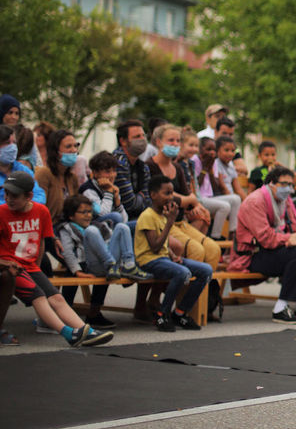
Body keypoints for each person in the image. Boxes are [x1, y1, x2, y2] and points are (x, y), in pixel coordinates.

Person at [0, 171, 114, 347]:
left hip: (30, 266)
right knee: (39, 296)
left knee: (57, 297)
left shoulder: (41, 211)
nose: (8, 198)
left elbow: (42, 242)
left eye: (14, 195)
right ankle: (68, 333)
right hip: (12, 265)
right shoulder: (1, 213)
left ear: (29, 195)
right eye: (6, 194)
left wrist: (36, 267)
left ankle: (87, 331)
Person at [230, 166, 296, 324]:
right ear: (272, 183)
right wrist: (291, 238)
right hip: (252, 255)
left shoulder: (285, 202)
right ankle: (281, 307)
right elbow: (266, 238)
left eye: (291, 185)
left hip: (273, 250)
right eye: (284, 184)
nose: (288, 189)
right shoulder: (255, 201)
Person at [56, 195, 151, 328]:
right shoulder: (67, 228)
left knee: (122, 227)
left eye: (89, 212)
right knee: (91, 231)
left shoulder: (98, 225)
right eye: (83, 212)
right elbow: (68, 253)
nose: (88, 215)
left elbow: (110, 242)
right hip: (90, 265)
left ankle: (129, 265)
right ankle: (111, 265)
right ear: (71, 216)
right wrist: (77, 271)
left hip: (107, 263)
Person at [134, 175, 212, 332]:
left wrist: (172, 255)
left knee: (206, 270)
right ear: (153, 195)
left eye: (172, 193)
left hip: (162, 258)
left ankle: (180, 313)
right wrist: (170, 222)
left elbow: (163, 243)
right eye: (167, 193)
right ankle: (162, 315)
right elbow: (154, 246)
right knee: (183, 273)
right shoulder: (148, 216)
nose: (171, 197)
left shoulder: (162, 215)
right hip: (148, 260)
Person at [147, 126, 222, 270]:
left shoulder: (177, 167)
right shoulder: (150, 166)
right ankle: (186, 291)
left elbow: (190, 196)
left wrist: (193, 204)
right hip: (163, 222)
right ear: (158, 142)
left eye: (178, 140)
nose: (175, 144)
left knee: (213, 249)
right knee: (196, 250)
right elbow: (165, 197)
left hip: (181, 222)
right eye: (171, 140)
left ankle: (205, 291)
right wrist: (188, 200)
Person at [33, 129, 81, 227]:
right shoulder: (44, 174)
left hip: (70, 227)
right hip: (50, 228)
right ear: (55, 151)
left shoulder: (72, 178)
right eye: (68, 146)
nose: (74, 150)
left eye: (75, 146)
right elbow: (38, 210)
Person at [112, 119, 151, 221]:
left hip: (138, 217)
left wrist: (139, 197)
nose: (142, 139)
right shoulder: (118, 163)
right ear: (123, 141)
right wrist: (141, 196)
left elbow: (149, 201)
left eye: (143, 135)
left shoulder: (143, 166)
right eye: (137, 137)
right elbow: (129, 205)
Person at [0, 125, 46, 205]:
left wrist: (22, 205)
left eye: (14, 142)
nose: (12, 147)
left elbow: (39, 195)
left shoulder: (23, 169)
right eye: (7, 143)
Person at [81, 151, 126, 229]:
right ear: (95, 173)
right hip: (92, 227)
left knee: (137, 225)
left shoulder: (111, 187)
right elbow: (103, 214)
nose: (112, 175)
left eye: (114, 171)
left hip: (111, 226)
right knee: (115, 217)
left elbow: (124, 220)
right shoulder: (88, 190)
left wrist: (117, 200)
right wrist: (108, 192)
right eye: (107, 172)